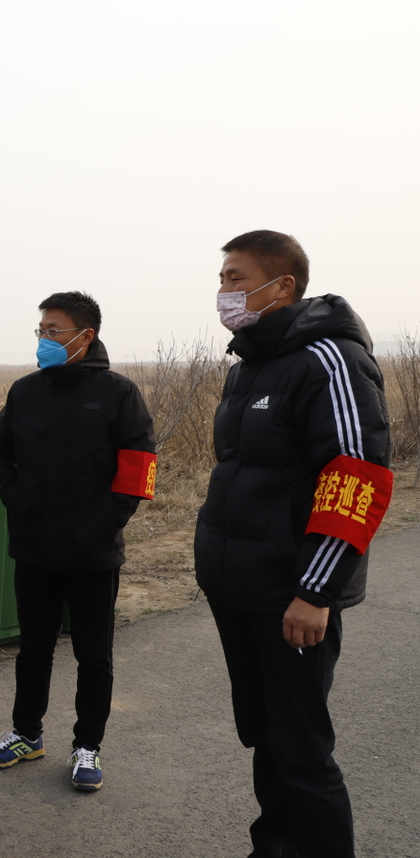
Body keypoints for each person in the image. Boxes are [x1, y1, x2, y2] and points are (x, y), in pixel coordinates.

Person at [195, 231, 390, 858]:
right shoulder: (249, 366)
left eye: (235, 278)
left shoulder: (330, 359)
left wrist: (316, 591)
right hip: (241, 587)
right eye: (221, 279)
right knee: (267, 736)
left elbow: (356, 476)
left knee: (302, 751)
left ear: (282, 285)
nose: (223, 291)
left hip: (291, 592)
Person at [0, 292, 156, 792]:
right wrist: (14, 497)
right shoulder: (25, 391)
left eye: (53, 331)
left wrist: (108, 521)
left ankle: (87, 747)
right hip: (34, 546)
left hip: (92, 552)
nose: (44, 339)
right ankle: (26, 734)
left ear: (85, 335)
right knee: (33, 650)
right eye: (40, 331)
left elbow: (139, 466)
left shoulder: (118, 393)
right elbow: (0, 450)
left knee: (93, 655)